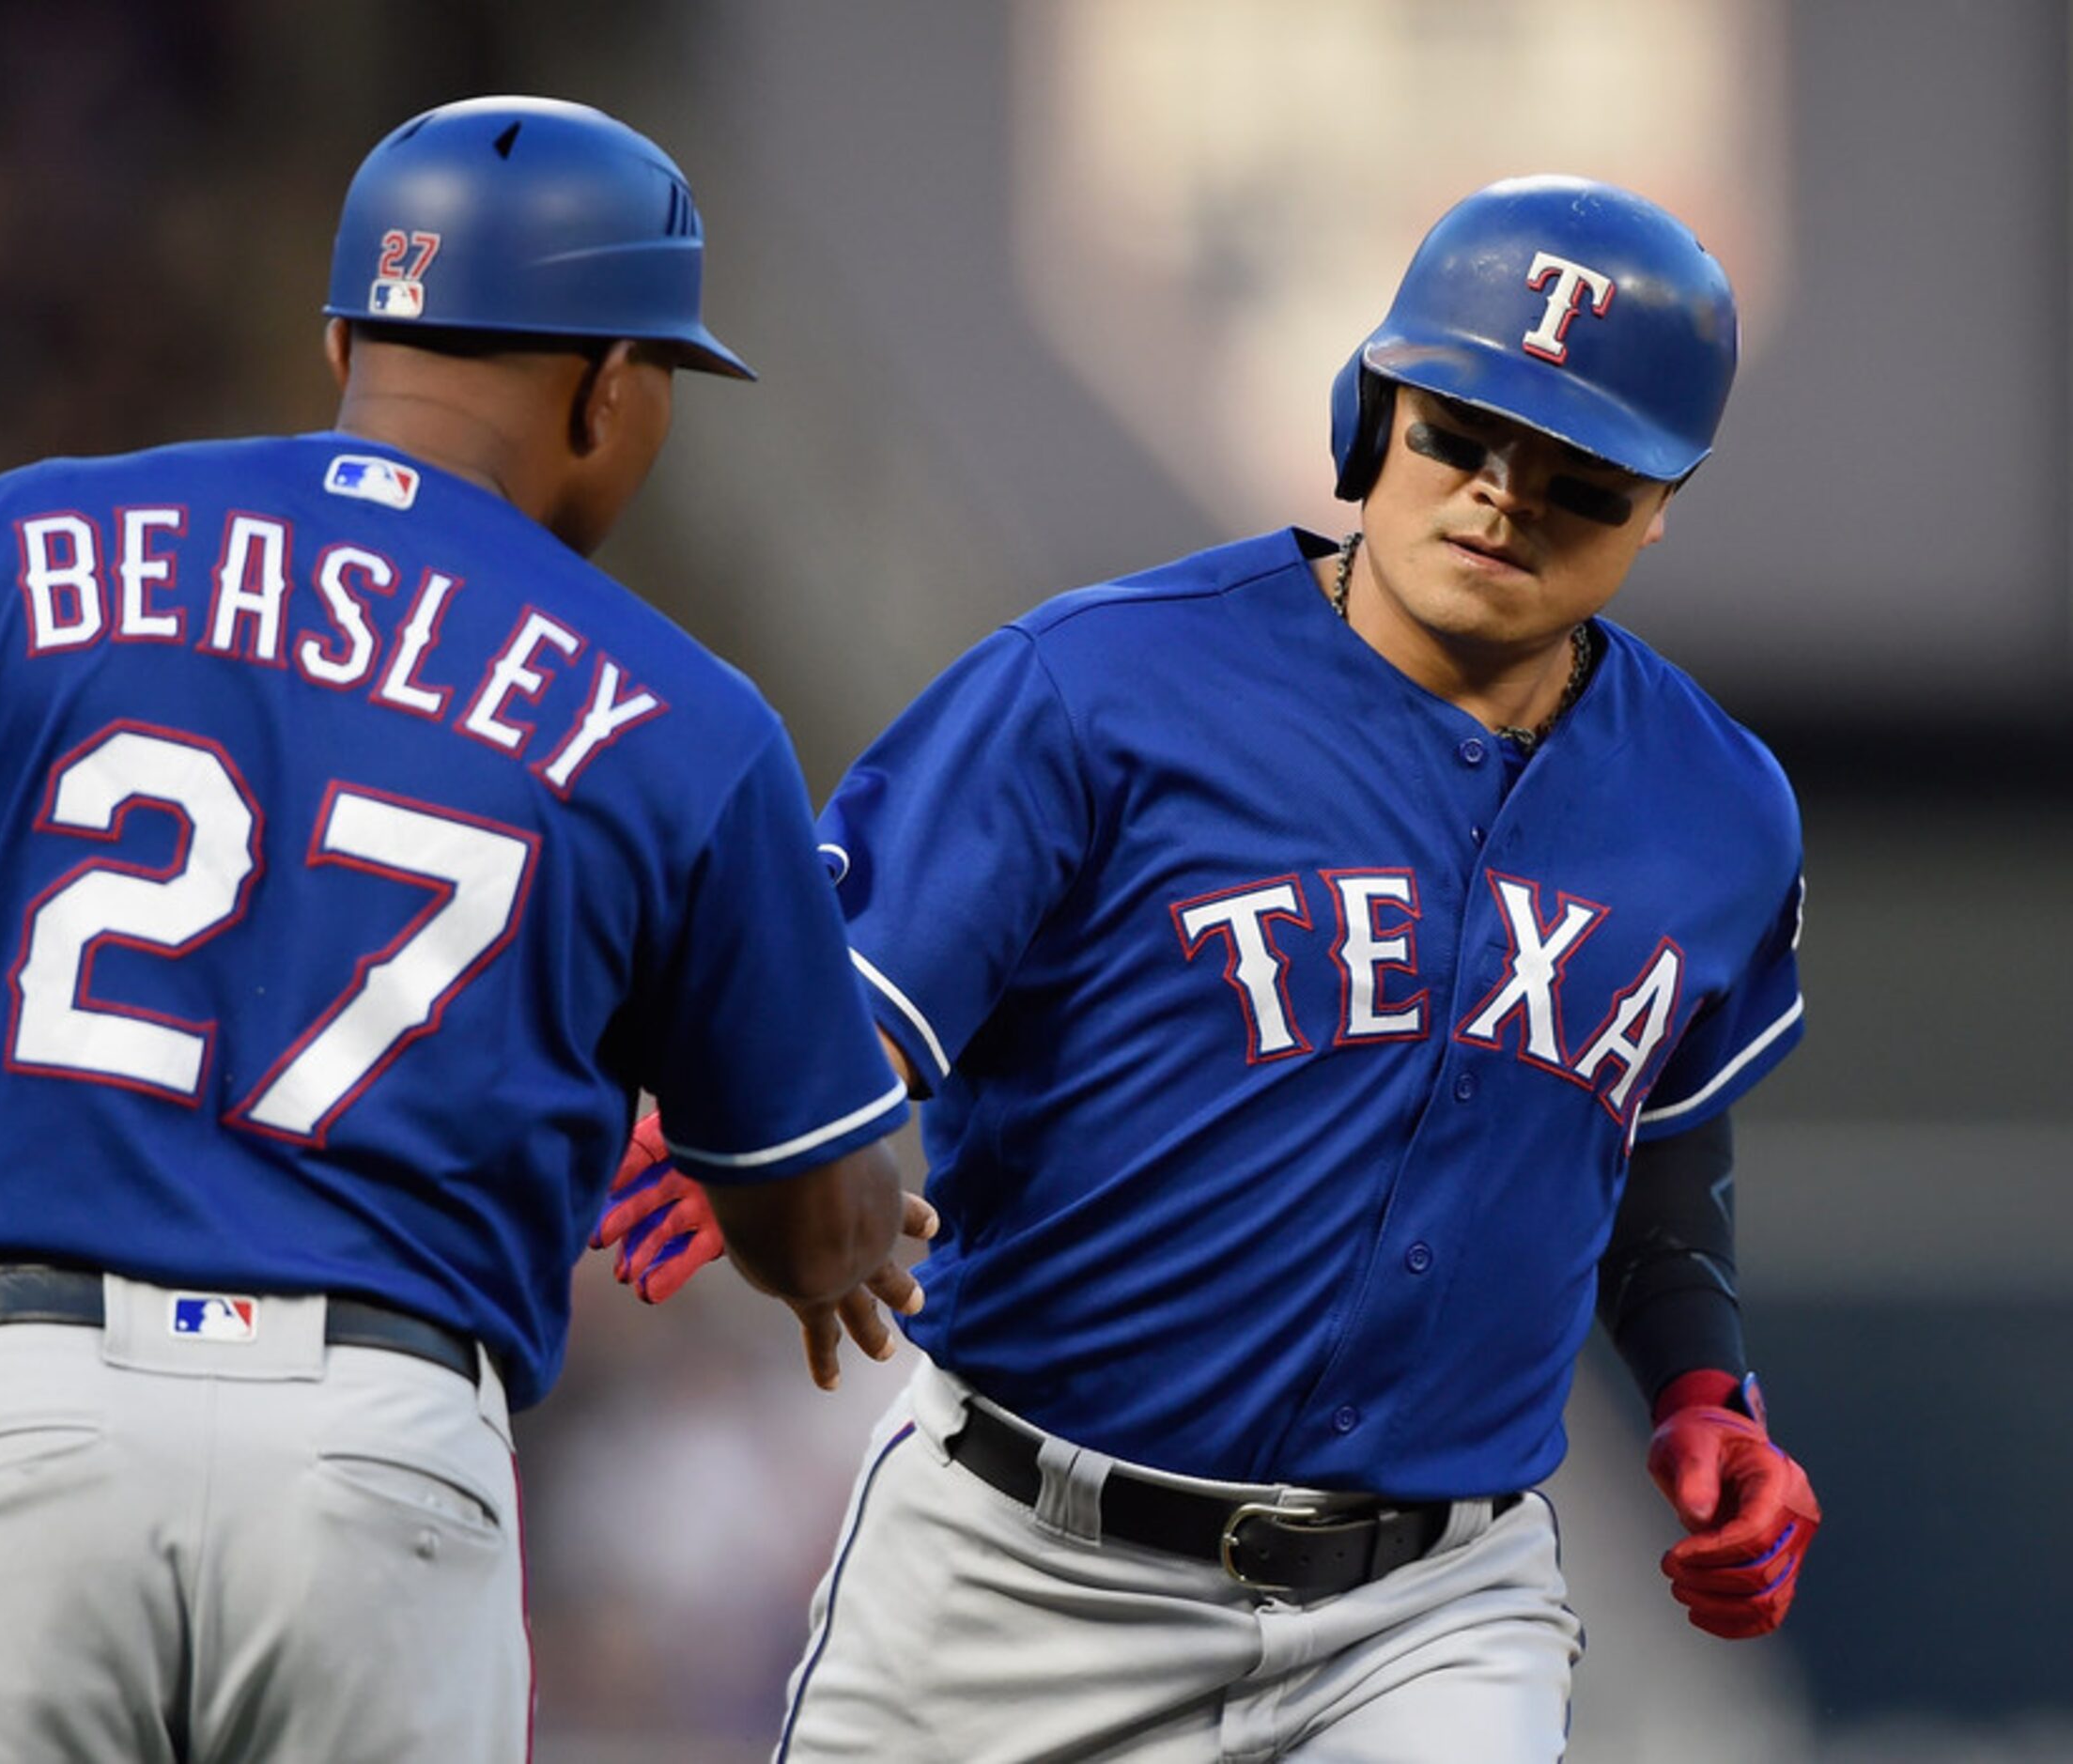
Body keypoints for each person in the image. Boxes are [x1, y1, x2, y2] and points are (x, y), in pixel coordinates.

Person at [0, 95, 913, 1763]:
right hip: (382, 1467)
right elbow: (818, 1230)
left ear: (342, 336)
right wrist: (837, 1210)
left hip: (22, 1426)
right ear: (609, 384)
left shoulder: (16, 546)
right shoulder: (684, 712)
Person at [597, 176, 1821, 1760]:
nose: (1502, 497)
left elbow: (1654, 1135)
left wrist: (1703, 1386)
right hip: (1023, 1570)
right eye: (1460, 433)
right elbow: (860, 994)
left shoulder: (1719, 811)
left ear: (1661, 504)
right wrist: (763, 1105)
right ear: (1368, 416)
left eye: (1578, 475)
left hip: (1432, 1607)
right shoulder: (1097, 688)